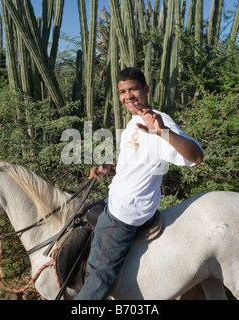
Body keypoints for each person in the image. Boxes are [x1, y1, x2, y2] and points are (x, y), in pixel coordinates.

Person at [74, 67, 204, 300]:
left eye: (133, 88)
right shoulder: (134, 122)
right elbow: (134, 159)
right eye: (122, 91)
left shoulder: (158, 123)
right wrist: (109, 168)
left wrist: (162, 132)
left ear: (145, 89)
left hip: (128, 210)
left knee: (99, 272)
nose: (128, 96)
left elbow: (196, 156)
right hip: (118, 195)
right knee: (83, 215)